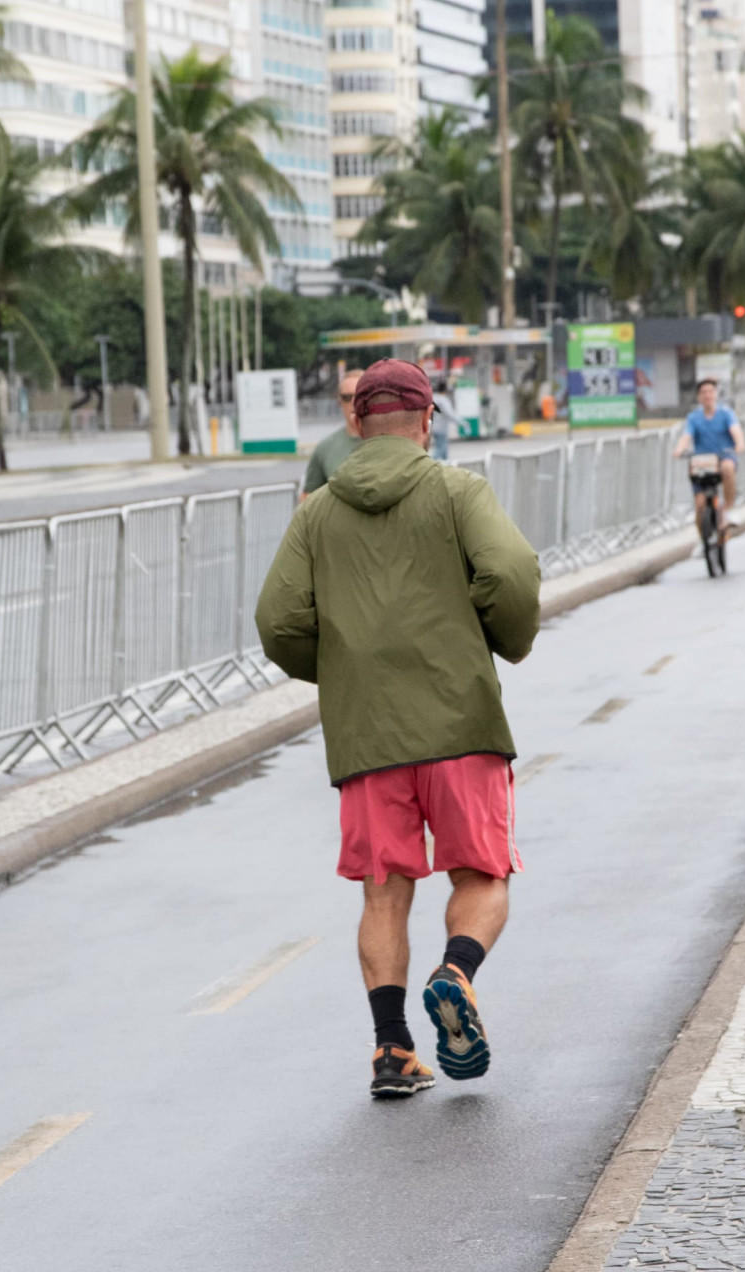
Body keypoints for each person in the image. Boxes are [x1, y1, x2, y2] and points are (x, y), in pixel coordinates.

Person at [255, 358, 541, 1100]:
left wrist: (347, 672)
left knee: (383, 892)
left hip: (368, 736)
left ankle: (391, 1051)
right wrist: (502, 638)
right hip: (459, 720)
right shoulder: (455, 490)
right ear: (425, 421)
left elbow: (277, 622)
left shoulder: (316, 511)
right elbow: (509, 572)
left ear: (356, 422)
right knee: (481, 875)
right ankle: (456, 973)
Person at [674, 378, 745, 538]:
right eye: (703, 392)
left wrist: (739, 443)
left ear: (716, 394)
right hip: (702, 463)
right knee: (700, 505)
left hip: (724, 457)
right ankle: (703, 541)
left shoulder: (726, 413)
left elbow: (736, 431)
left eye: (710, 391)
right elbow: (686, 436)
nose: (707, 395)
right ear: (699, 396)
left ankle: (729, 510)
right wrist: (679, 450)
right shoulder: (694, 417)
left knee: (727, 468)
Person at [301, 369, 364, 501]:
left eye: (359, 395)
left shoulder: (388, 441)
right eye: (347, 397)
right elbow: (308, 498)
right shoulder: (325, 448)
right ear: (339, 402)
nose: (353, 402)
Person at [429, 375, 457, 463]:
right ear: (445, 390)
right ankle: (430, 464)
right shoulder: (443, 400)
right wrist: (461, 422)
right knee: (441, 448)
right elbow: (450, 414)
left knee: (444, 450)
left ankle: (447, 465)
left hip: (433, 427)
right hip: (442, 428)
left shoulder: (433, 398)